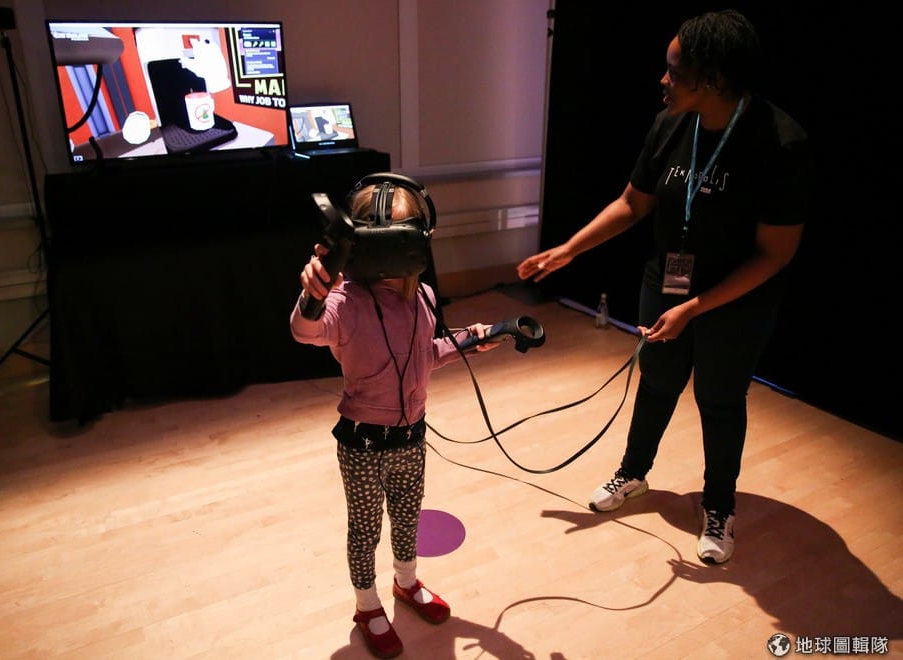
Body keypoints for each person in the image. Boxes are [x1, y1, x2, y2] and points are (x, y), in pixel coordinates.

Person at [517, 9, 810, 565]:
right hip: (668, 282)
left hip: (736, 299)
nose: (663, 80)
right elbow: (633, 203)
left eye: (675, 71)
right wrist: (567, 250)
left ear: (713, 79)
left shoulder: (780, 143)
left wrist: (695, 309)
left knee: (720, 399)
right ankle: (633, 473)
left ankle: (719, 506)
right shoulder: (671, 124)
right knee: (656, 381)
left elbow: (776, 253)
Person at [290, 175, 500, 658]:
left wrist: (469, 341)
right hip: (362, 445)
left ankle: (406, 582)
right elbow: (305, 330)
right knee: (365, 530)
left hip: (411, 438)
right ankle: (367, 606)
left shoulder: (423, 296)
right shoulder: (345, 300)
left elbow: (425, 353)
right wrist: (314, 293)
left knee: (408, 519)